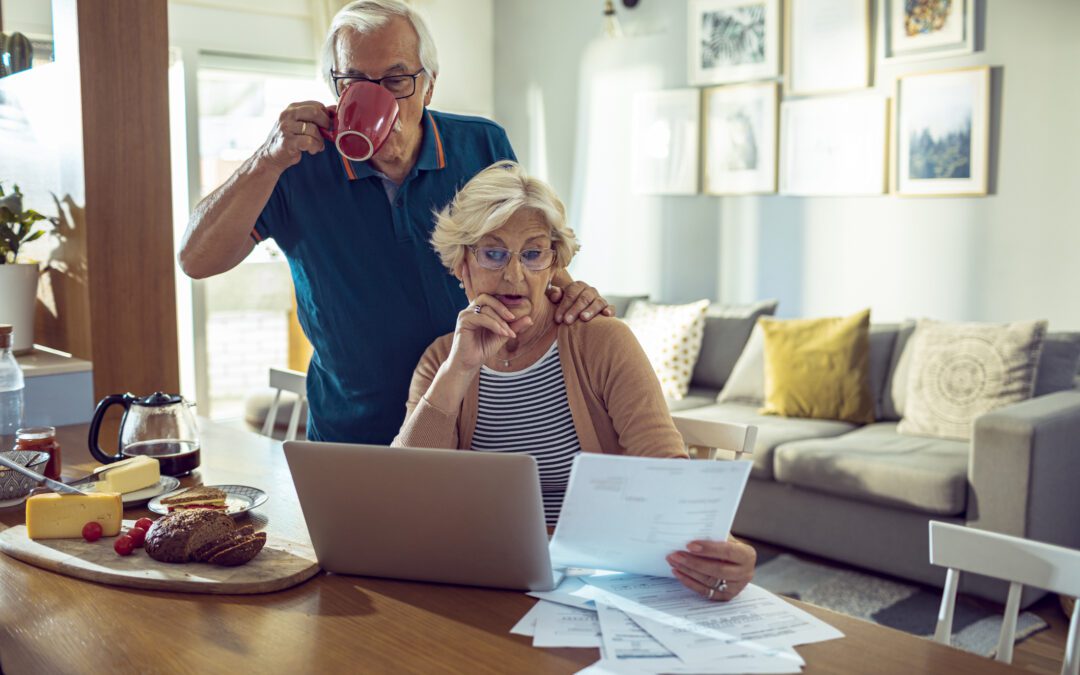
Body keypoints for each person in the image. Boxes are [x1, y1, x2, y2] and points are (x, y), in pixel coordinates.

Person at [177, 0, 610, 445]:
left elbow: (523, 249)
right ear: (335, 86)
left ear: (429, 86)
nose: (377, 96)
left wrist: (565, 289)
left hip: (474, 423)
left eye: (396, 80)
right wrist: (264, 161)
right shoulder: (295, 164)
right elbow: (195, 260)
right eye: (356, 81)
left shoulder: (481, 144)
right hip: (351, 435)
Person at [393, 161, 756, 602]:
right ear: (460, 265)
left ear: (554, 264)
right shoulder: (441, 361)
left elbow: (664, 471)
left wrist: (722, 552)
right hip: (483, 583)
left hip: (594, 583)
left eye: (532, 254)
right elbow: (407, 495)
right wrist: (459, 369)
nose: (514, 276)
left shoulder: (601, 341)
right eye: (493, 253)